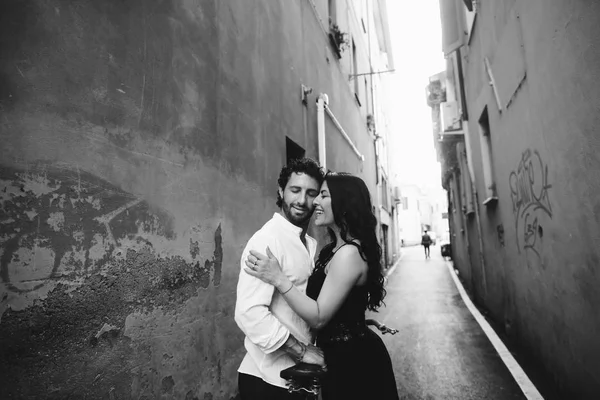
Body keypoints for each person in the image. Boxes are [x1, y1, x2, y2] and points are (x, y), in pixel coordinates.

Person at [245, 172, 399, 400]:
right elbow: (339, 305)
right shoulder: (332, 249)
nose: (314, 201)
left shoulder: (348, 254)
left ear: (344, 203)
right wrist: (357, 320)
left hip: (354, 360)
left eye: (323, 195)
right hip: (340, 354)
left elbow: (318, 317)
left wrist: (279, 278)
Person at [234, 158, 327, 400]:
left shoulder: (309, 244)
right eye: (295, 190)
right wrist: (301, 351)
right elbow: (249, 313)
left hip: (299, 378)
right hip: (267, 380)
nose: (301, 200)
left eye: (311, 193)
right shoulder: (267, 240)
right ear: (281, 192)